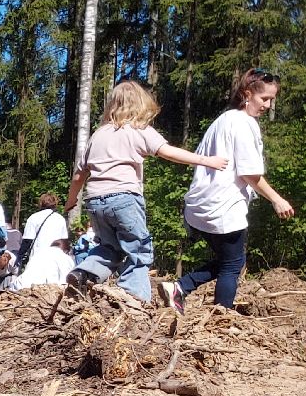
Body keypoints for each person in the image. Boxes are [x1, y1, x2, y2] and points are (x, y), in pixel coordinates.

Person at [65, 80, 228, 302]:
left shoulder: (97, 135)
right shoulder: (139, 130)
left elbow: (78, 175)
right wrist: (205, 160)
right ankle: (132, 297)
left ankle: (84, 273)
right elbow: (168, 152)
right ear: (140, 105)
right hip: (124, 199)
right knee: (138, 249)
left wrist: (71, 200)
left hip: (94, 201)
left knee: (109, 247)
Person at [171, 69, 296, 313]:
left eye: (272, 100)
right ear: (247, 94)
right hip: (223, 208)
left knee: (231, 260)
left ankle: (181, 287)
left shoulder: (223, 120)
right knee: (232, 265)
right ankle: (222, 316)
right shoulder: (244, 123)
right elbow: (249, 173)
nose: (269, 106)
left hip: (199, 207)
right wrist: (276, 199)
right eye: (265, 99)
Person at [9, 229, 75, 290]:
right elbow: (65, 282)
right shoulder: (66, 258)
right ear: (66, 251)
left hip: (20, 286)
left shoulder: (39, 253)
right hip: (40, 290)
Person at [18, 192, 67, 272]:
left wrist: (19, 256)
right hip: (55, 259)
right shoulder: (60, 219)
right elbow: (64, 242)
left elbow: (27, 240)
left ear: (41, 203)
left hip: (37, 257)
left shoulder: (34, 217)